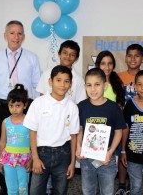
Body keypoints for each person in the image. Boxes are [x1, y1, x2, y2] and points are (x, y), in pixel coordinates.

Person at [0, 20, 41, 195]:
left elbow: (37, 86)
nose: (16, 37)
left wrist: (37, 111)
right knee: (3, 145)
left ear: (23, 36)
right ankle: (6, 186)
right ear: (5, 35)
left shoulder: (32, 57)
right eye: (12, 33)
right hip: (2, 107)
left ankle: (27, 185)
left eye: (19, 33)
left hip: (27, 108)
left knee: (28, 145)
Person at [36, 40, 86, 194]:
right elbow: (41, 100)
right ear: (59, 54)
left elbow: (80, 105)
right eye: (65, 53)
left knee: (60, 176)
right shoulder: (47, 74)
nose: (68, 56)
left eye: (72, 55)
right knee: (43, 179)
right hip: (46, 133)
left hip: (65, 133)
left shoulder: (78, 80)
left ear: (76, 58)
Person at [24, 65, 80, 195]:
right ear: (50, 81)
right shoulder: (38, 103)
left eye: (66, 81)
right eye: (58, 80)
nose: (62, 85)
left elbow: (73, 136)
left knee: (60, 191)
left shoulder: (72, 107)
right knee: (35, 191)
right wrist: (35, 158)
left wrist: (72, 163)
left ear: (70, 84)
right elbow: (32, 132)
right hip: (42, 154)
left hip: (63, 155)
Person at [76, 68, 126, 195]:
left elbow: (119, 132)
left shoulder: (113, 107)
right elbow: (80, 130)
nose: (93, 89)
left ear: (105, 85)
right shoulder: (81, 106)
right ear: (85, 86)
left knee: (107, 191)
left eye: (97, 84)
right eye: (89, 85)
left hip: (106, 157)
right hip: (87, 157)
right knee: (87, 190)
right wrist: (78, 147)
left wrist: (110, 152)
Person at [116, 44, 143, 195]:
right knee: (123, 152)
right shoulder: (118, 77)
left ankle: (135, 185)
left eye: (137, 55)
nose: (133, 59)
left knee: (135, 155)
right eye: (130, 55)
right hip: (122, 122)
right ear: (126, 57)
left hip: (140, 122)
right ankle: (121, 184)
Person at [0, 84, 32, 195]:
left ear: (25, 105)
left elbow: (34, 142)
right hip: (8, 160)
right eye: (11, 106)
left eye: (18, 105)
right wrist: (1, 161)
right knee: (11, 188)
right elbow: (2, 142)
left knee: (23, 188)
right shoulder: (5, 122)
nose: (14, 109)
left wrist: (32, 159)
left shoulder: (30, 122)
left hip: (24, 160)